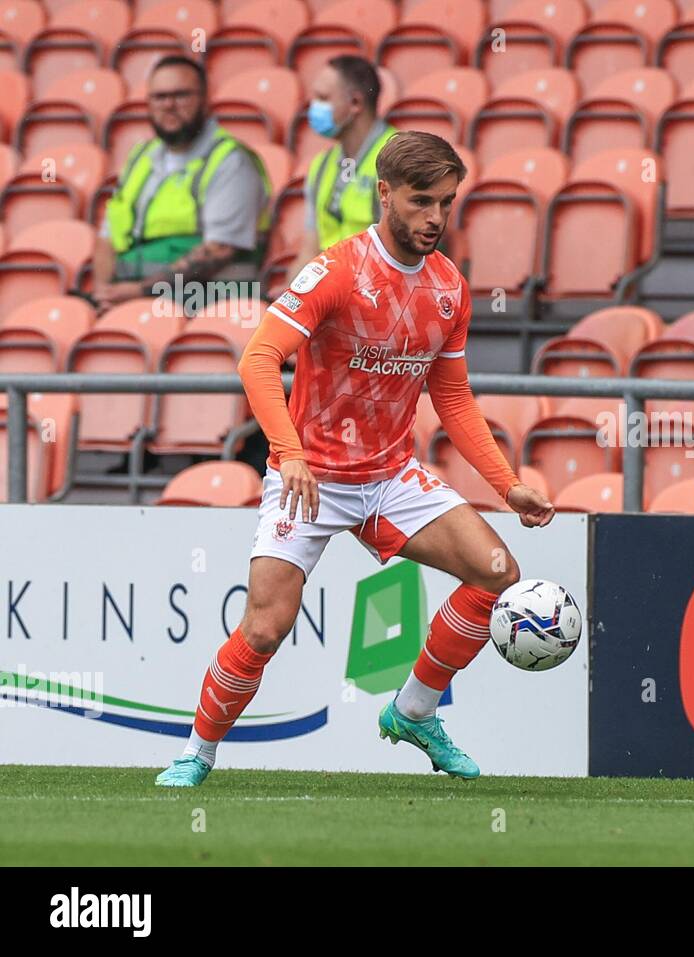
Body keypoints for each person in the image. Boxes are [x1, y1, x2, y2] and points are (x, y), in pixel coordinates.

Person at [155, 132, 555, 788]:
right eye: (421, 201)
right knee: (264, 628)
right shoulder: (338, 271)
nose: (434, 218)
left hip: (391, 475)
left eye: (447, 203)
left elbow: (450, 395)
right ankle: (195, 753)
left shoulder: (449, 288)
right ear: (384, 194)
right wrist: (288, 454)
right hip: (310, 475)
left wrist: (506, 484)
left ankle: (414, 711)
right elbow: (258, 359)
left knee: (497, 573)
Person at [93, 56, 270, 311]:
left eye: (181, 96)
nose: (169, 105)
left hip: (208, 300)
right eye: (159, 97)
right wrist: (105, 294)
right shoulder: (140, 157)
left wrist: (139, 292)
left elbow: (219, 250)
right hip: (137, 297)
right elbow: (107, 236)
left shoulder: (230, 161)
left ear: (205, 100)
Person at [290, 55, 398, 278]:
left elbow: (402, 254)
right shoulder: (320, 166)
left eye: (323, 98)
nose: (313, 107)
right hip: (332, 290)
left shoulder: (400, 158)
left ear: (355, 103)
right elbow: (309, 250)